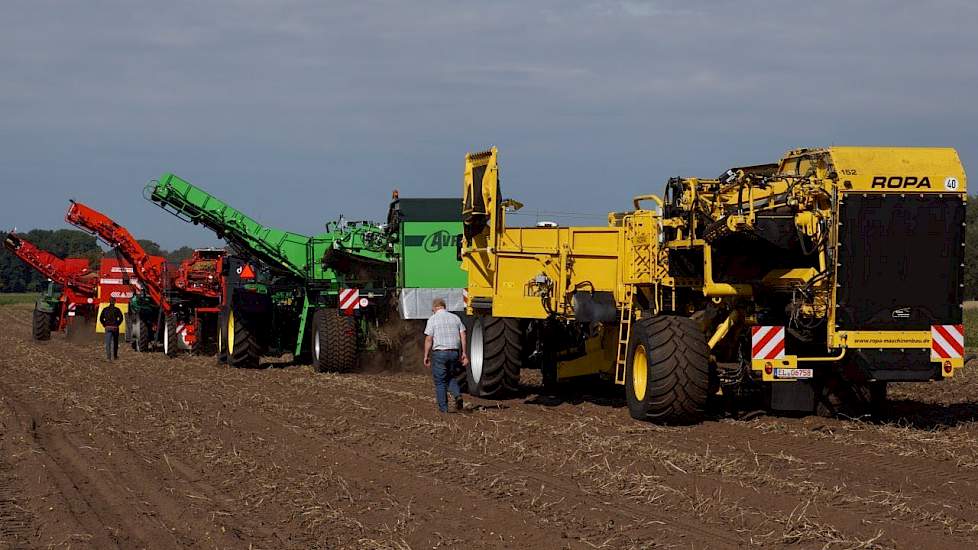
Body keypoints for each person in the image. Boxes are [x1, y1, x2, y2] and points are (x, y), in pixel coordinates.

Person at [423, 297, 468, 413]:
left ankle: (443, 409)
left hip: (440, 353)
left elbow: (429, 338)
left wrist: (426, 356)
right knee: (450, 376)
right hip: (454, 352)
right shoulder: (455, 318)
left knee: (440, 381)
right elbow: (463, 335)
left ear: (434, 308)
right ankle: (457, 395)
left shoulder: (432, 319)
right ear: (444, 307)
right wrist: (464, 353)